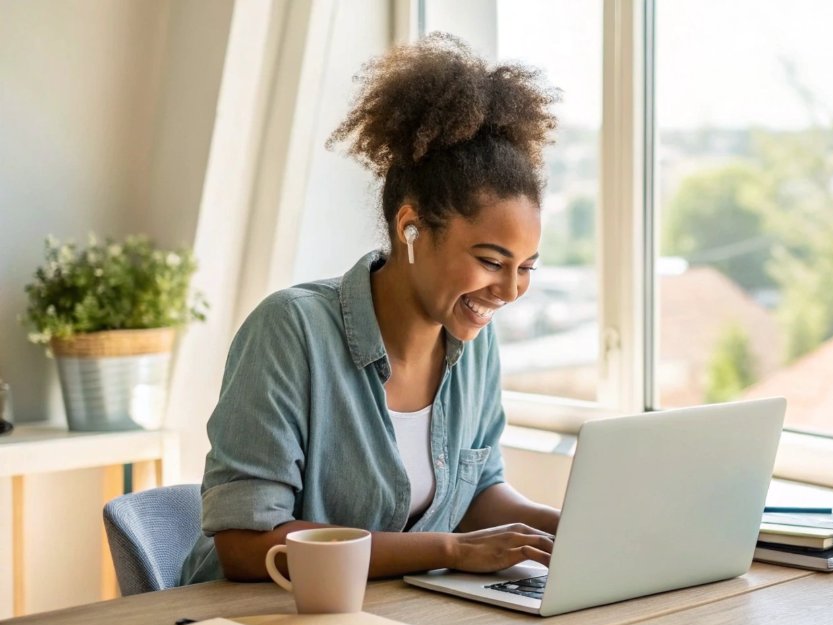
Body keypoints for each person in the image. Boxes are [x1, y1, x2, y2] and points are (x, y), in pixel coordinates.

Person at [179, 34, 561, 584]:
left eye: (526, 267)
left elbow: (477, 493)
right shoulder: (292, 331)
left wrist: (566, 529)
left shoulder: (474, 341)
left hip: (390, 623)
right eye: (490, 260)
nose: (508, 290)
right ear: (410, 227)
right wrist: (450, 550)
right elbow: (246, 544)